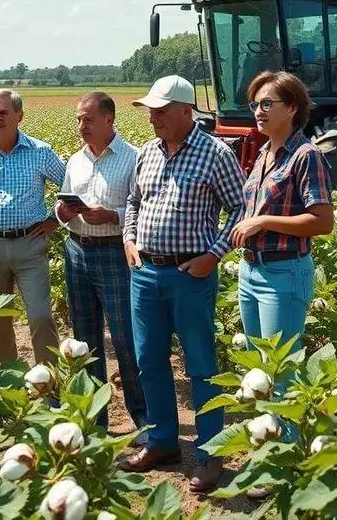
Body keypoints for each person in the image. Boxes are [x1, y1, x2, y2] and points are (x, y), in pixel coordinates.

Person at [119, 75, 246, 494]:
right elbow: (134, 201)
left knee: (201, 367)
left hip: (191, 276)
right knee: (149, 361)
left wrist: (214, 254)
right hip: (146, 274)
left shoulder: (215, 153)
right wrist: (129, 238)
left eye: (160, 110)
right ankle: (161, 442)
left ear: (184, 111)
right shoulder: (147, 153)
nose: (152, 117)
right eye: (150, 110)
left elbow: (240, 209)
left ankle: (210, 455)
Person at [229, 71, 334, 498]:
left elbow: (323, 221)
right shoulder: (264, 154)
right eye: (255, 103)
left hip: (283, 273)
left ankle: (284, 467)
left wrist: (263, 221)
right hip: (251, 272)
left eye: (267, 103)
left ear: (292, 108)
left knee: (283, 374)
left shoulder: (305, 155)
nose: (258, 110)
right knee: (261, 370)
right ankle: (268, 454)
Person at [54, 91, 147, 444]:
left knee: (125, 338)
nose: (81, 126)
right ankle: (94, 421)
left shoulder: (132, 158)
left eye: (88, 119)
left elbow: (141, 209)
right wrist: (64, 213)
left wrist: (112, 216)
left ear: (109, 119)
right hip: (77, 250)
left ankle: (143, 421)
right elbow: (64, 202)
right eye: (79, 119)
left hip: (114, 252)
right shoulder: (75, 160)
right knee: (84, 339)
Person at [0, 88, 64, 365]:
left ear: (19, 116)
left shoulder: (40, 152)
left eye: (3, 112)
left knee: (41, 315)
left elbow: (70, 186)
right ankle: (7, 387)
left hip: (30, 244)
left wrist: (55, 220)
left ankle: (49, 387)